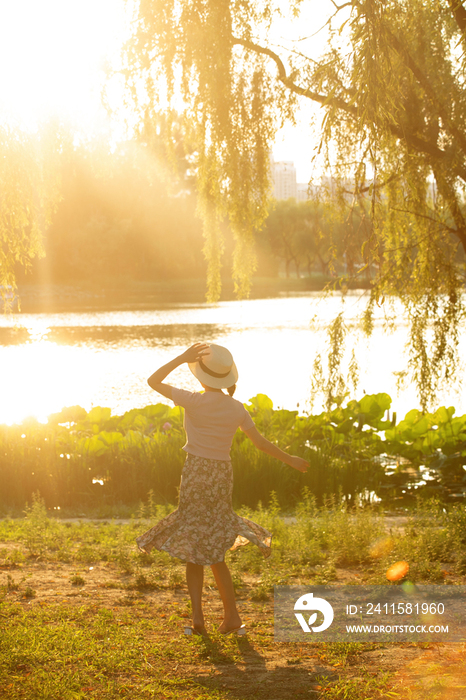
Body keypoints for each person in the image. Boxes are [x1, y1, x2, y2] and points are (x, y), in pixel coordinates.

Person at [136, 342, 309, 637]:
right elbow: (261, 444)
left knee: (194, 544)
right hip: (221, 476)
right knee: (214, 546)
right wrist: (290, 459)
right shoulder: (237, 408)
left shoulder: (192, 400)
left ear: (202, 377)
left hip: (195, 473)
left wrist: (180, 358)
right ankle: (231, 616)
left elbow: (153, 381)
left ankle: (199, 619)